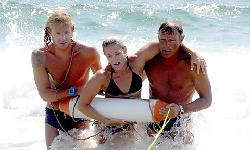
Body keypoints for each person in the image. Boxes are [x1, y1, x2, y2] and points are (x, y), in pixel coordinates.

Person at [76, 36, 205, 146]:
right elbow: (82, 105)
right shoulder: (102, 77)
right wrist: (105, 120)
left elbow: (163, 43)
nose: (115, 59)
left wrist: (193, 53)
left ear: (125, 50)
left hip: (132, 119)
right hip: (107, 122)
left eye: (117, 54)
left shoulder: (137, 63)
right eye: (109, 56)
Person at [31, 10, 101, 149]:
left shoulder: (88, 52)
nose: (63, 38)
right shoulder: (40, 56)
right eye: (58, 33)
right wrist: (75, 91)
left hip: (80, 111)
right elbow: (45, 94)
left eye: (66, 32)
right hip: (54, 113)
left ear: (73, 29)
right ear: (50, 31)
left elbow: (102, 82)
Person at [143, 20, 212, 142]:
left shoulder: (193, 64)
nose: (166, 46)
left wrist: (180, 109)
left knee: (186, 140)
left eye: (171, 41)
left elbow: (207, 100)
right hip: (154, 115)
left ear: (181, 39)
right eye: (162, 40)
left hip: (181, 117)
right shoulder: (150, 60)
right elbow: (131, 77)